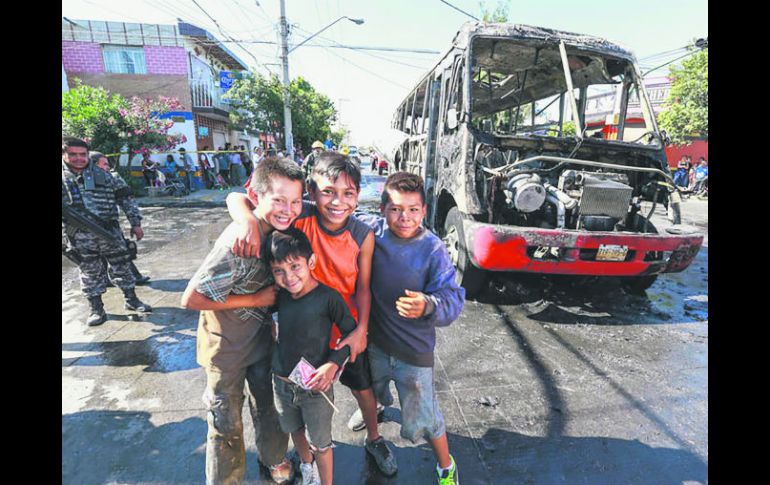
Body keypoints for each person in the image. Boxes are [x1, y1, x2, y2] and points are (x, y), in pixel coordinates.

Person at [225, 153, 398, 477]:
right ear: (311, 193)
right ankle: (308, 462)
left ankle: (374, 438)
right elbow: (238, 195)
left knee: (363, 387)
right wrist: (246, 220)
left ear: (358, 195)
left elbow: (363, 287)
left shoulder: (362, 234)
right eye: (328, 191)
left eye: (348, 193)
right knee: (302, 400)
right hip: (304, 332)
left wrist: (360, 329)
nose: (337, 201)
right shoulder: (299, 215)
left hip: (343, 329)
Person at [180, 157, 304, 485]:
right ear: (258, 196)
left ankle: (274, 458)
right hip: (226, 353)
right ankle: (225, 479)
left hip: (263, 345)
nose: (288, 209)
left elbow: (235, 197)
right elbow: (190, 298)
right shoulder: (237, 240)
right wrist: (256, 299)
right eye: (278, 199)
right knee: (225, 425)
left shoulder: (281, 232)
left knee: (272, 409)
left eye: (295, 201)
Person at [355, 171, 465, 484]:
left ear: (425, 211)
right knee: (372, 390)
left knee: (426, 417)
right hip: (374, 342)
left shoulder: (433, 249)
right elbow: (321, 209)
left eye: (413, 210)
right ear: (382, 209)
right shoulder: (371, 232)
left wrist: (428, 305)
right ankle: (372, 410)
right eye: (396, 209)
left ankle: (446, 466)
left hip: (413, 353)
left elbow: (453, 299)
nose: (405, 217)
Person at [264, 228, 358, 485]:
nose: (288, 277)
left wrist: (333, 363)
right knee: (294, 429)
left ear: (311, 262)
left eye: (295, 266)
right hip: (282, 383)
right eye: (279, 271)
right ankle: (307, 467)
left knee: (322, 443)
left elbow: (352, 335)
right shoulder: (278, 297)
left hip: (316, 389)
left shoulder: (328, 298)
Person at [62, 137, 152, 327]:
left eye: (82, 154)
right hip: (79, 238)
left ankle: (131, 300)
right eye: (73, 154)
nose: (79, 158)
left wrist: (135, 223)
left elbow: (125, 199)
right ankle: (97, 309)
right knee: (89, 272)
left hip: (110, 234)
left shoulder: (105, 175)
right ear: (64, 154)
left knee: (122, 266)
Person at [90, 151, 151, 286]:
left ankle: (133, 279)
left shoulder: (112, 178)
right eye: (104, 164)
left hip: (109, 226)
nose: (107, 167)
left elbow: (127, 202)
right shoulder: (77, 181)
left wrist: (135, 223)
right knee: (95, 257)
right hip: (87, 229)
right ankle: (105, 280)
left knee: (121, 252)